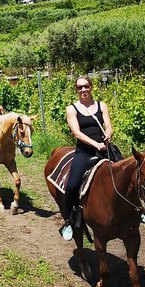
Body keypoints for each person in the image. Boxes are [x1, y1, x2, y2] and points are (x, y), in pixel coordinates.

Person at [60, 75, 114, 241]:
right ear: (76, 90)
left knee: (129, 173)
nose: (83, 89)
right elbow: (76, 132)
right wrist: (94, 144)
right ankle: (70, 219)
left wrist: (108, 134)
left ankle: (140, 210)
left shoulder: (101, 105)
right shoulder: (72, 109)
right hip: (85, 150)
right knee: (72, 185)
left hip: (104, 148)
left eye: (86, 86)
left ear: (91, 87)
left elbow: (109, 126)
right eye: (79, 87)